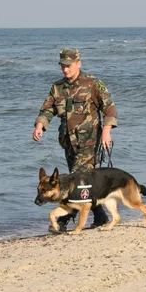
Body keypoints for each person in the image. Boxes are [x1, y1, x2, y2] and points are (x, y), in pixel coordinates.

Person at [32, 47, 118, 232]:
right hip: (68, 143)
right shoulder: (58, 87)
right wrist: (40, 125)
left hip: (89, 141)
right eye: (62, 66)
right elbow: (48, 109)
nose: (65, 69)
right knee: (83, 184)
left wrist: (106, 131)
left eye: (69, 65)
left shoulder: (93, 84)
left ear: (78, 63)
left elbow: (109, 107)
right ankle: (101, 216)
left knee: (76, 183)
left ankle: (62, 222)